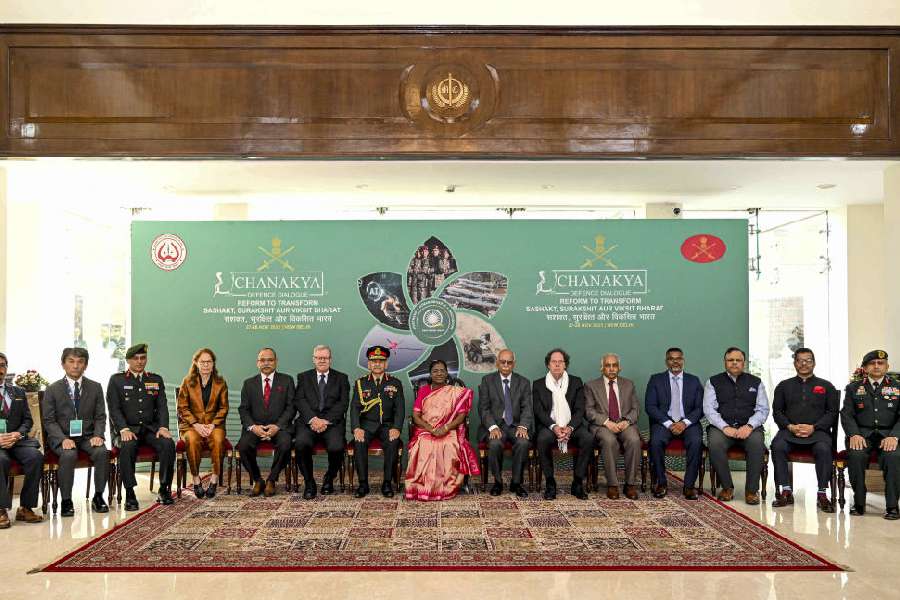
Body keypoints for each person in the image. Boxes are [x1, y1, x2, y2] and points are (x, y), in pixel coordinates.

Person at [106, 343, 175, 510]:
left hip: (150, 430)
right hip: (127, 430)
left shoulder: (155, 379)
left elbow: (162, 406)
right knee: (127, 446)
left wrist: (163, 427)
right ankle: (130, 492)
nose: (139, 361)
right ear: (128, 360)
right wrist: (123, 429)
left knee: (168, 444)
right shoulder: (117, 380)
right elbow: (113, 408)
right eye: (135, 358)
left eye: (143, 358)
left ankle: (164, 488)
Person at [41, 347, 109, 516]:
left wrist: (98, 435)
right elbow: (49, 420)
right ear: (63, 364)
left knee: (101, 452)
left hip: (87, 436)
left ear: (85, 365)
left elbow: (100, 416)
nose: (76, 366)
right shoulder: (52, 389)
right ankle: (66, 500)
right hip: (62, 437)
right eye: (71, 361)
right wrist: (62, 439)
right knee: (69, 454)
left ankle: (99, 497)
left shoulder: (95, 387)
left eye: (80, 362)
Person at [770, 347, 838, 512]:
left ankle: (822, 493)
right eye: (800, 360)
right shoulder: (783, 386)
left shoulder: (826, 386)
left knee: (823, 448)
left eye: (808, 360)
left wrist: (814, 427)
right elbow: (777, 412)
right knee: (777, 446)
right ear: (795, 363)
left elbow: (832, 413)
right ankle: (785, 490)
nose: (804, 364)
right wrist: (790, 426)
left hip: (818, 432)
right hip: (790, 431)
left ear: (814, 363)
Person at [405, 360, 480, 501]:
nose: (439, 373)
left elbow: (461, 416)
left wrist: (445, 428)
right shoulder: (423, 391)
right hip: (426, 429)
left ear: (446, 373)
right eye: (435, 371)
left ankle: (446, 488)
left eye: (442, 370)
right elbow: (416, 416)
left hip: (449, 429)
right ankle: (423, 488)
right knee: (425, 445)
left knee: (449, 446)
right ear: (430, 374)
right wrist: (431, 429)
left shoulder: (455, 392)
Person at [703, 347, 769, 505]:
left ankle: (751, 491)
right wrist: (725, 427)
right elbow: (709, 409)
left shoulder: (756, 382)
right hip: (722, 427)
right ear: (725, 362)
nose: (734, 363)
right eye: (730, 360)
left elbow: (763, 409)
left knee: (756, 443)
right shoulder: (713, 381)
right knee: (715, 443)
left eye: (738, 360)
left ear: (743, 363)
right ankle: (727, 488)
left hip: (749, 428)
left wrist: (750, 426)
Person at [841, 350, 900, 519]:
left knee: (893, 456)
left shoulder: (897, 387)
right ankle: (859, 502)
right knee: (856, 455)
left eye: (880, 363)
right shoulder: (853, 388)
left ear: (887, 366)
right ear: (865, 367)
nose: (876, 366)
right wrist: (854, 435)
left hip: (888, 434)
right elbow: (846, 414)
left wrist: (894, 436)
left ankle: (892, 505)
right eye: (872, 363)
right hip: (862, 434)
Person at [532, 348, 593, 500]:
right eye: (554, 362)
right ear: (548, 365)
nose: (557, 365)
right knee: (542, 439)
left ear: (565, 365)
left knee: (588, 438)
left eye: (561, 362)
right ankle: (551, 483)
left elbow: (580, 410)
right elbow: (539, 411)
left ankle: (577, 482)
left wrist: (570, 428)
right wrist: (554, 427)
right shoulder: (539, 384)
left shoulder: (576, 382)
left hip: (572, 425)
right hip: (550, 426)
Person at [645, 347, 704, 500]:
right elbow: (650, 406)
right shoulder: (656, 379)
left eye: (678, 358)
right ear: (666, 361)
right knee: (655, 441)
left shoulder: (694, 380)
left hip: (688, 423)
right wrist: (668, 423)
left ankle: (689, 486)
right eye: (671, 358)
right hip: (665, 422)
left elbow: (700, 408)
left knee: (697, 441)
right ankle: (661, 483)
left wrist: (684, 423)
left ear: (683, 360)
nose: (675, 361)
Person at [237, 348, 295, 497]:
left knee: (286, 444)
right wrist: (253, 427)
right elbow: (244, 409)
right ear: (257, 363)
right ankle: (257, 480)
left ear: (276, 362)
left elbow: (291, 407)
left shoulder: (287, 380)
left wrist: (278, 426)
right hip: (256, 427)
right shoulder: (248, 383)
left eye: (270, 360)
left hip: (279, 427)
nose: (266, 363)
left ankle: (271, 480)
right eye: (263, 360)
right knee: (243, 446)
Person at [294, 345, 349, 499]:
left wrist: (325, 421)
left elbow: (343, 403)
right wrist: (313, 419)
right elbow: (299, 400)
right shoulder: (303, 377)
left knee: (337, 447)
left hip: (332, 423)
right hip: (308, 423)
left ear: (330, 360)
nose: (322, 360)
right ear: (314, 359)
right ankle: (309, 482)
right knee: (301, 443)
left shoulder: (341, 378)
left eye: (325, 357)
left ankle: (329, 478)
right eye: (319, 357)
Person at [585, 353, 642, 500]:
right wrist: (606, 422)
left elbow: (636, 409)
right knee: (609, 441)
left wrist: (627, 421)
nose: (611, 369)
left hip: (624, 424)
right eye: (607, 365)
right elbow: (589, 411)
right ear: (602, 368)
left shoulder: (629, 384)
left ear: (619, 368)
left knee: (634, 440)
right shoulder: (591, 386)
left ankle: (630, 484)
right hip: (603, 425)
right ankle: (612, 485)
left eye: (614, 365)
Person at [350, 346, 405, 498]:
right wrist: (356, 428)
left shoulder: (395, 383)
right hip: (366, 425)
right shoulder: (361, 383)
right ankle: (363, 484)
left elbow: (400, 409)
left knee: (393, 442)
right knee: (359, 442)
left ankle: (387, 483)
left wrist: (397, 428)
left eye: (381, 361)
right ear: (368, 364)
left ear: (386, 364)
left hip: (387, 425)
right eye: (373, 361)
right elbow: (354, 408)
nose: (377, 364)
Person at [478, 348, 533, 498]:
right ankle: (498, 482)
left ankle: (516, 483)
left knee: (523, 443)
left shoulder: (524, 382)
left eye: (509, 362)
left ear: (514, 364)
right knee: (495, 444)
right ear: (497, 363)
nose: (506, 365)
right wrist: (492, 427)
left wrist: (523, 426)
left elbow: (527, 407)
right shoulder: (487, 381)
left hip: (516, 425)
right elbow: (483, 408)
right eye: (503, 362)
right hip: (496, 425)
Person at [177, 348, 229, 499]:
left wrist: (212, 425)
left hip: (214, 425)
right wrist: (196, 424)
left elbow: (224, 408)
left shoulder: (220, 383)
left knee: (219, 440)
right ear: (196, 363)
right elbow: (182, 407)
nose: (206, 365)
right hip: (192, 426)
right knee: (192, 440)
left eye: (209, 362)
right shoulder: (187, 382)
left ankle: (214, 479)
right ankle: (196, 479)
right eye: (203, 362)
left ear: (213, 364)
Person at [0, 352, 44, 527]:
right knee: (0, 459)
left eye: (3, 365)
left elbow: (28, 420)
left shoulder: (18, 391)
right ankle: (1, 509)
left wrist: (17, 434)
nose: (0, 369)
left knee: (35, 457)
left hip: (16, 440)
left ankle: (26, 508)